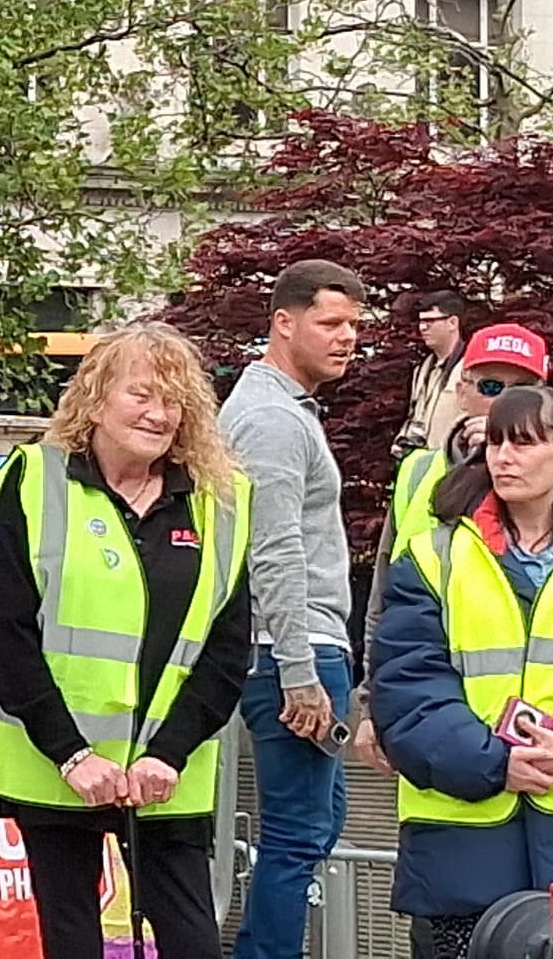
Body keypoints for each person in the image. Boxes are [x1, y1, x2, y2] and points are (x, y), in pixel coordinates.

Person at [0, 322, 252, 958]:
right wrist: (72, 755)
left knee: (194, 943)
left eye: (174, 400)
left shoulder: (223, 500)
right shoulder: (34, 481)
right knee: (73, 941)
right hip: (55, 766)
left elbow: (227, 648)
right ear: (95, 399)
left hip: (166, 774)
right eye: (142, 395)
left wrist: (169, 753)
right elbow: (8, 638)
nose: (159, 414)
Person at [371, 386, 553, 959]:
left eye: (524, 443)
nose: (504, 458)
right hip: (461, 858)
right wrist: (496, 762)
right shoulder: (433, 554)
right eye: (495, 443)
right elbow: (406, 690)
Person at [217, 258, 365, 959]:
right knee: (297, 835)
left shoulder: (278, 410)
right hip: (290, 648)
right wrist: (299, 671)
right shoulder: (273, 420)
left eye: (354, 325)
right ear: (283, 322)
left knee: (312, 826)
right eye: (330, 322)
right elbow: (273, 550)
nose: (347, 338)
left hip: (292, 645)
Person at [355, 323, 551, 774]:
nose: (504, 403)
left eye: (522, 390)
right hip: (436, 726)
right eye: (491, 387)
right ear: (462, 392)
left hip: (546, 739)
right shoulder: (419, 473)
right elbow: (383, 601)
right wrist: (369, 703)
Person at [394, 291, 468, 461]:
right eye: (421, 322)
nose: (422, 328)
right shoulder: (421, 370)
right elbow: (414, 415)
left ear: (452, 322)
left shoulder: (471, 369)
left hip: (454, 466)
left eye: (430, 321)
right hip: (419, 464)